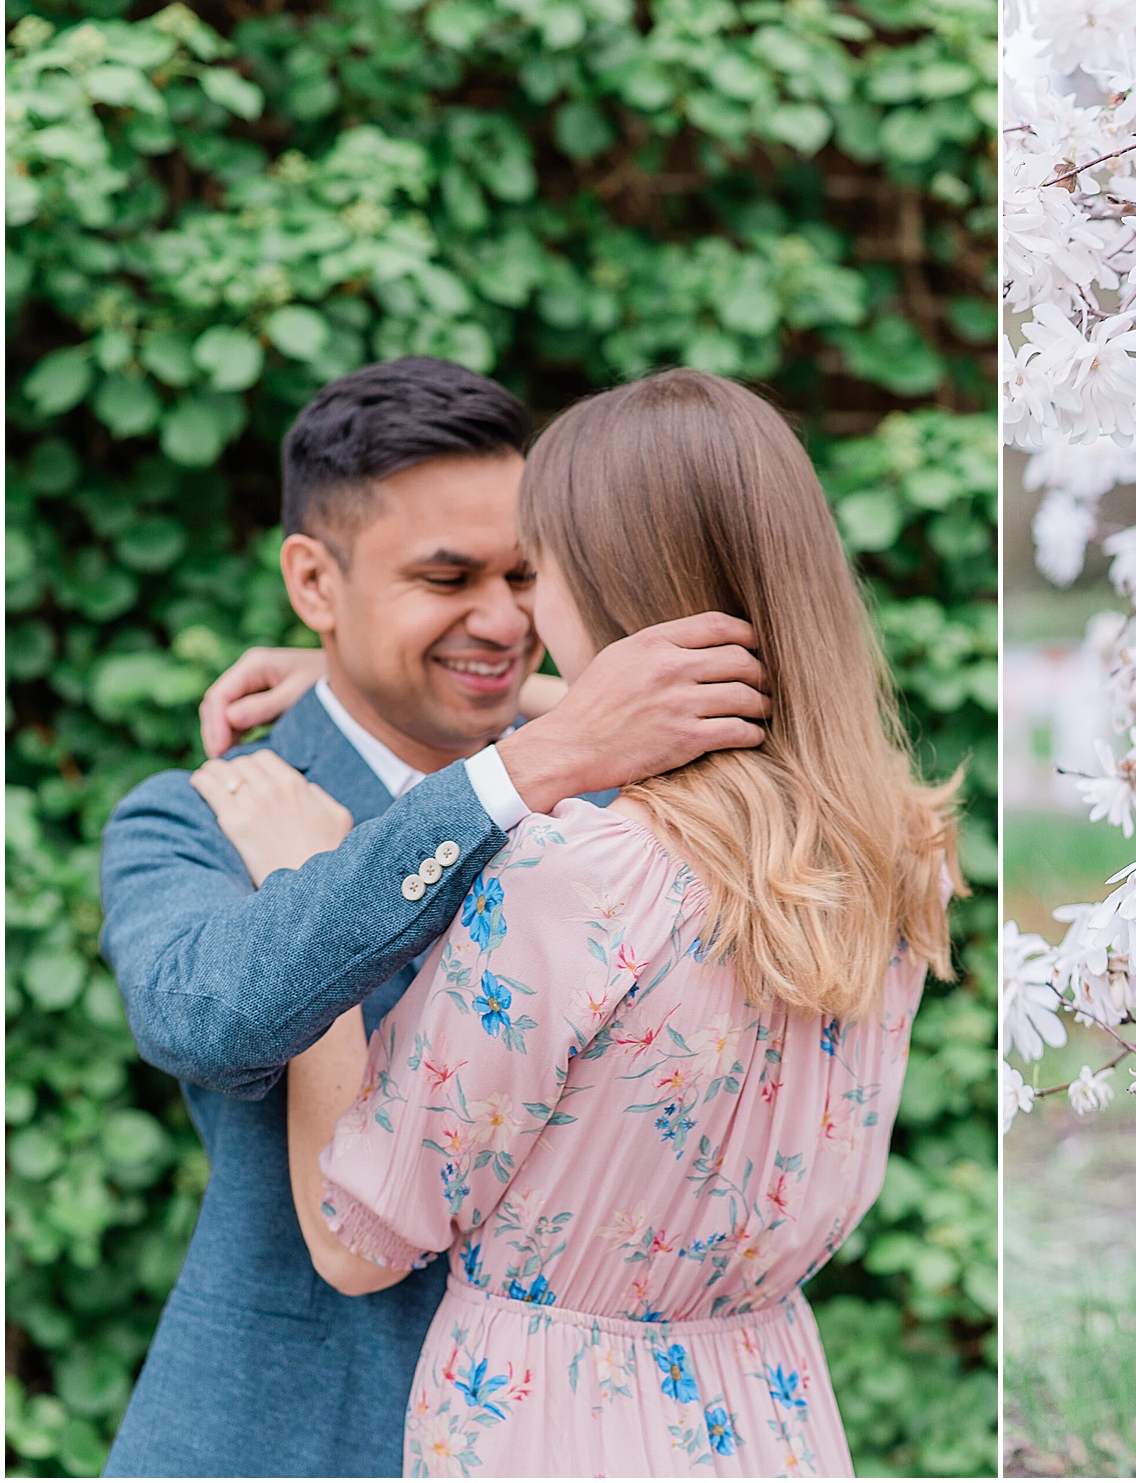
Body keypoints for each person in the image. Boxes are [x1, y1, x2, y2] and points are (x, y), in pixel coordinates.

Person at [194, 369, 964, 1477]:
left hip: (545, 1426)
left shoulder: (578, 879)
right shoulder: (893, 848)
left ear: (600, 585)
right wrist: (339, 675)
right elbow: (740, 731)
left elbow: (354, 1242)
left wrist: (304, 877)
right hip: (766, 1414)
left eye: (534, 572)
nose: (514, 615)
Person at [98, 357, 772, 1478]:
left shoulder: (627, 798)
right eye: (446, 577)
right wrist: (527, 758)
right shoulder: (203, 812)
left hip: (581, 1434)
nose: (502, 621)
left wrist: (543, 720)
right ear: (314, 583)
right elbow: (205, 1016)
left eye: (523, 574)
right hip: (292, 1432)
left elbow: (832, 760)